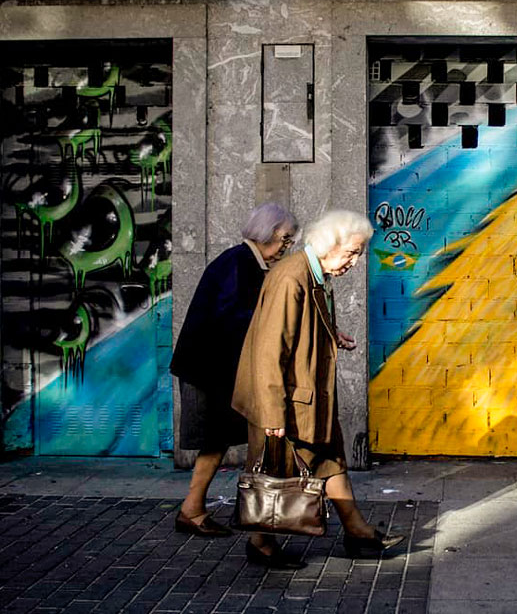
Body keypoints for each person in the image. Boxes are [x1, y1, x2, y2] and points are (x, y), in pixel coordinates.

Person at [232, 209, 405, 569]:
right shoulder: (291, 278)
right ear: (330, 244)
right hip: (288, 400)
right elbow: (269, 348)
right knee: (279, 473)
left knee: (329, 459)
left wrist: (331, 334)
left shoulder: (314, 274)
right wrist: (272, 413)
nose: (355, 262)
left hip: (307, 396)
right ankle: (261, 543)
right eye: (352, 252)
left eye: (359, 254)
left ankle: (357, 532)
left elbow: (301, 327)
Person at [170, 203, 299, 538]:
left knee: (218, 440)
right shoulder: (238, 263)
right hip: (209, 369)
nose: (287, 246)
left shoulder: (247, 263)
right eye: (285, 238)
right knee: (216, 439)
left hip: (217, 368)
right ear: (269, 233)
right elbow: (232, 318)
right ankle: (193, 510)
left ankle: (194, 509)